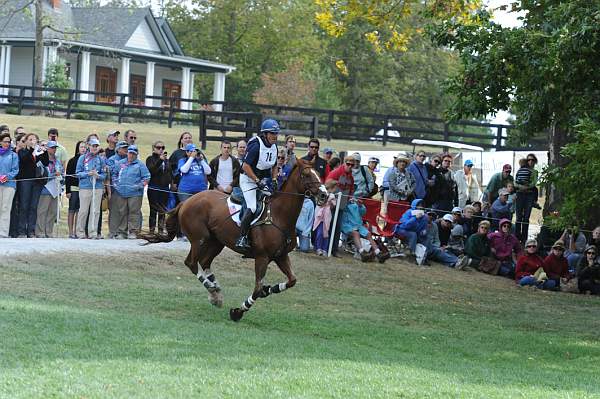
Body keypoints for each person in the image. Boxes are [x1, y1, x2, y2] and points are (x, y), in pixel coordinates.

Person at [235, 119, 279, 250]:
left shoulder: (274, 146)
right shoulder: (256, 145)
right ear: (265, 134)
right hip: (248, 180)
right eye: (272, 133)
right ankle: (241, 238)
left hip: (262, 180)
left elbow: (275, 165)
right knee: (253, 207)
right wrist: (257, 181)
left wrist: (275, 179)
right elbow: (246, 166)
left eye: (276, 133)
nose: (275, 136)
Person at [114, 145, 150, 238]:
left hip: (135, 194)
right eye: (130, 153)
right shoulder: (121, 163)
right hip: (121, 192)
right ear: (127, 153)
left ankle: (134, 232)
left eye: (133, 154)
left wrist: (138, 186)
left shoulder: (140, 165)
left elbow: (147, 177)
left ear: (136, 154)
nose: (131, 155)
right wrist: (116, 185)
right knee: (122, 211)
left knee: (134, 212)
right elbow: (114, 174)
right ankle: (122, 232)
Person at [325, 154, 356, 256]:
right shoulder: (336, 172)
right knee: (328, 226)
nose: (350, 166)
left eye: (352, 165)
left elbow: (351, 191)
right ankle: (326, 248)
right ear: (344, 163)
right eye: (348, 164)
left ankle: (334, 249)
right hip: (332, 204)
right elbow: (327, 185)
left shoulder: (351, 177)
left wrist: (349, 199)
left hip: (342, 206)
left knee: (337, 227)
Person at [75, 138, 106, 239]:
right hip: (85, 187)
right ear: (88, 146)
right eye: (93, 146)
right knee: (83, 210)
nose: (94, 148)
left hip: (97, 187)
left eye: (96, 146)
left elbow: (104, 175)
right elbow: (78, 173)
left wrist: (98, 176)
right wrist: (87, 173)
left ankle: (93, 232)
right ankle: (80, 232)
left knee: (95, 210)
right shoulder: (82, 158)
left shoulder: (100, 159)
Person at [341, 198, 386, 262]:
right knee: (355, 233)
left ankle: (378, 253)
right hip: (347, 225)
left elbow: (363, 212)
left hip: (359, 225)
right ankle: (362, 252)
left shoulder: (355, 202)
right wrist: (347, 202)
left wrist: (360, 205)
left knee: (368, 234)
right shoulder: (344, 200)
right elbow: (342, 208)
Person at [35, 141, 63, 238]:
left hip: (55, 188)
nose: (54, 150)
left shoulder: (57, 161)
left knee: (53, 211)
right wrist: (53, 175)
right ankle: (40, 231)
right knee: (42, 211)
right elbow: (41, 174)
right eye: (52, 148)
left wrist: (61, 177)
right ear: (47, 148)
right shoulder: (42, 160)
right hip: (45, 189)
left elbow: (62, 172)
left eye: (55, 148)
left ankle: (49, 231)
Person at [17, 133, 42, 238]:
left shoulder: (39, 153)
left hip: (37, 182)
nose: (32, 141)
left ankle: (31, 231)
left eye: (34, 139)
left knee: (33, 206)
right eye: (30, 139)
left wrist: (42, 152)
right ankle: (21, 231)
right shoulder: (22, 152)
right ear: (26, 141)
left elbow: (44, 163)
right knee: (24, 206)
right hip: (25, 181)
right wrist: (31, 150)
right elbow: (24, 160)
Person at [146, 140, 172, 234]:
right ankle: (152, 231)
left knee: (162, 210)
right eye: (158, 147)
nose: (161, 149)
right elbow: (151, 171)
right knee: (153, 210)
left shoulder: (167, 160)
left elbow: (169, 173)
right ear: (154, 149)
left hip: (165, 188)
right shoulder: (150, 159)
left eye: (163, 148)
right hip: (154, 187)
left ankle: (160, 230)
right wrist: (160, 160)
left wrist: (171, 183)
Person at [106, 141, 129, 239]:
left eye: (126, 148)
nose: (126, 150)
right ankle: (112, 231)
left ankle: (122, 232)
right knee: (114, 211)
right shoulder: (112, 159)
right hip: (114, 189)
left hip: (126, 189)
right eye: (123, 148)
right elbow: (110, 171)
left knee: (124, 211)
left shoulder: (129, 159)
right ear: (118, 149)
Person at [514, 154, 539, 242]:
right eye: (528, 160)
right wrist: (521, 187)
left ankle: (524, 238)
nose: (530, 161)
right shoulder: (520, 170)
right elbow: (515, 182)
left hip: (529, 195)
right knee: (518, 217)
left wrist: (526, 187)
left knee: (526, 217)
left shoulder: (534, 171)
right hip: (520, 194)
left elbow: (534, 183)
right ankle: (517, 237)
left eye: (532, 160)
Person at [0, 131, 19, 238]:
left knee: (5, 208)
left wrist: (6, 176)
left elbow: (15, 170)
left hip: (9, 185)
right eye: (5, 141)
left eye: (9, 142)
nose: (7, 143)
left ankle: (3, 233)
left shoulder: (13, 155)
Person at [66, 141, 86, 238]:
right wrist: (68, 191)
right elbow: (68, 177)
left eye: (85, 147)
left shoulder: (87, 161)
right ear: (78, 148)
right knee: (72, 209)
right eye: (81, 147)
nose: (83, 149)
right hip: (73, 188)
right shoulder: (72, 160)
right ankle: (70, 231)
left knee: (79, 210)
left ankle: (76, 230)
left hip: (84, 188)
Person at [313, 180, 337, 256]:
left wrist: (331, 202)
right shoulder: (321, 192)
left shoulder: (332, 196)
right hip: (320, 216)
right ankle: (318, 248)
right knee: (319, 232)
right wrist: (326, 198)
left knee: (325, 233)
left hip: (327, 216)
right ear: (331, 188)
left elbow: (333, 206)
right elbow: (319, 203)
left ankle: (324, 249)